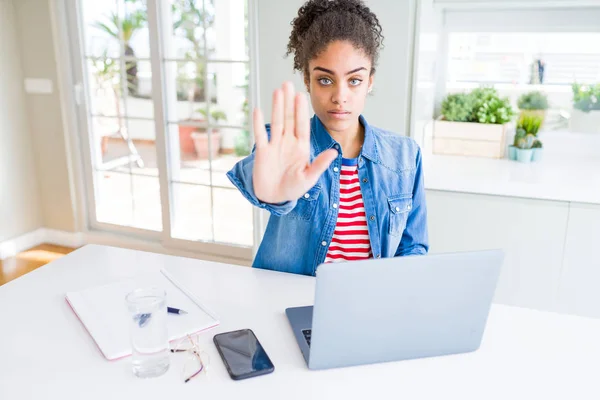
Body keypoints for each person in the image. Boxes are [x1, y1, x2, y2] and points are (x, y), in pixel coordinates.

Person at [227, 0, 428, 276]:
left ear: (370, 81)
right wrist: (271, 195)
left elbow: (413, 248)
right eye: (325, 80)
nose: (340, 96)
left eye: (354, 80)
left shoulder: (405, 156)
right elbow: (259, 174)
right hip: (289, 303)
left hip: (370, 304)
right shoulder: (285, 144)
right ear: (307, 80)